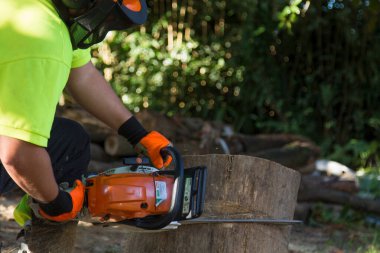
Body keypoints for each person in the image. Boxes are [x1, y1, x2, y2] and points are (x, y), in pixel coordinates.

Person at [0, 0, 171, 224]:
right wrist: (57, 202)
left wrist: (138, 134)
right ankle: (46, 227)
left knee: (70, 140)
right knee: (63, 152)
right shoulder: (44, 38)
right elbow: (17, 153)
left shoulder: (39, 10)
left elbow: (83, 75)